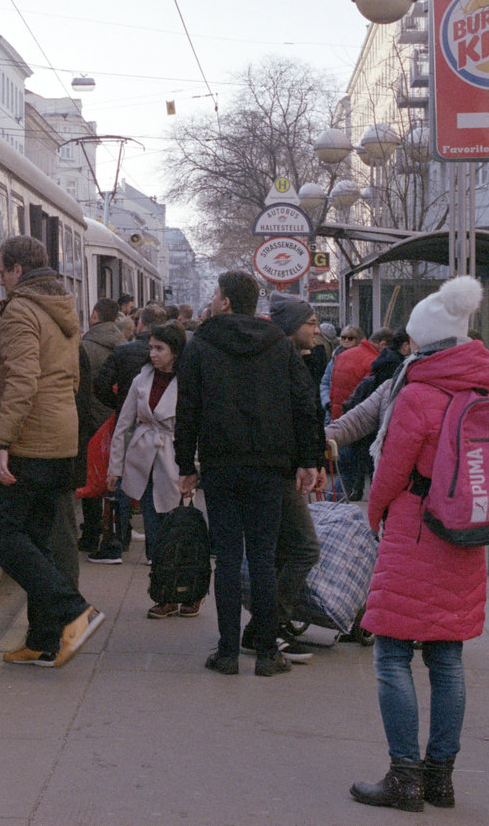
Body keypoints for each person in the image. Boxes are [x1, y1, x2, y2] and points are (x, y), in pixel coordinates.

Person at [350, 276, 489, 812]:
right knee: (447, 658)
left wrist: (374, 514)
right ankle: (441, 779)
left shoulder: (419, 390)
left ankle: (404, 778)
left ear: (421, 339)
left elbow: (392, 467)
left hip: (415, 529)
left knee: (392, 653)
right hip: (464, 533)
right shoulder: (481, 388)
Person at [175, 271, 321, 677]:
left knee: (227, 558)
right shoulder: (278, 345)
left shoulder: (201, 343)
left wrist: (185, 465)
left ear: (224, 301)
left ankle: (226, 654)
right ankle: (267, 654)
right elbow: (304, 403)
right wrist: (309, 460)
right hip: (271, 467)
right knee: (263, 557)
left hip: (222, 465)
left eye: (218, 292)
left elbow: (187, 409)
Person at [0, 235, 103, 667]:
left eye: (0, 274)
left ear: (15, 270)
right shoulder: (62, 309)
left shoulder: (21, 311)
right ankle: (44, 639)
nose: (1, 283)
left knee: (1, 534)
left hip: (30, 440)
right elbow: (67, 380)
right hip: (61, 439)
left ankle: (74, 610)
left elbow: (22, 380)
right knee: (38, 539)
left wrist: (2, 442)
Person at [238, 291, 326, 661]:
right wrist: (309, 461)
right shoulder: (285, 360)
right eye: (310, 323)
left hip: (277, 465)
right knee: (305, 548)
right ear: (292, 327)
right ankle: (268, 627)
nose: (317, 330)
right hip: (281, 468)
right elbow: (302, 415)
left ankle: (265, 627)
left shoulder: (291, 357)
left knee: (281, 550)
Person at [105, 322, 187, 616]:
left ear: (175, 352)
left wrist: (194, 467)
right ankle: (165, 594)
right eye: (151, 347)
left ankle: (188, 589)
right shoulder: (142, 379)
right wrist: (114, 468)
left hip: (176, 461)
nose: (152, 354)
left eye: (159, 348)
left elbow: (198, 427)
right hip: (144, 462)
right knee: (156, 531)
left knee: (179, 530)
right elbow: (123, 424)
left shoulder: (189, 380)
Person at [92, 303, 168, 561]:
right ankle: (154, 547)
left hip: (129, 423)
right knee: (154, 485)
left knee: (123, 481)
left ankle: (117, 541)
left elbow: (100, 385)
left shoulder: (123, 351)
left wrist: (118, 405)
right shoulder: (170, 357)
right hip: (158, 428)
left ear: (140, 324)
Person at [75, 298, 124, 553]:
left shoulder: (84, 346)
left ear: (94, 315)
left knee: (90, 478)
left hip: (91, 420)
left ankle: (91, 531)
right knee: (115, 476)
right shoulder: (125, 345)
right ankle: (119, 533)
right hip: (116, 421)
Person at [330, 325, 379, 499]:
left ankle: (350, 493)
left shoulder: (340, 357)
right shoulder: (372, 360)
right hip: (359, 418)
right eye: (343, 337)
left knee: (347, 466)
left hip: (342, 417)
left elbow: (331, 386)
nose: (345, 341)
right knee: (350, 470)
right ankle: (333, 501)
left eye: (349, 338)